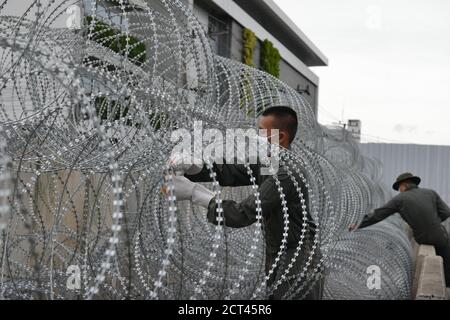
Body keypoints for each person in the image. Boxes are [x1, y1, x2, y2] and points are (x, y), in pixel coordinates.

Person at [166, 106, 322, 299]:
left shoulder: (286, 173)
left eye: (260, 133)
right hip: (281, 252)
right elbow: (231, 171)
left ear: (280, 137)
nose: (254, 138)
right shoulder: (270, 163)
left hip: (298, 258)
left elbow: (244, 213)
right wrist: (195, 167)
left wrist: (195, 193)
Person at [349, 172, 450, 286]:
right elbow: (446, 212)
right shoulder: (431, 193)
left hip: (422, 238)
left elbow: (378, 215)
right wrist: (433, 222)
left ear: (404, 185)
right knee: (446, 262)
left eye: (399, 188)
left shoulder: (400, 199)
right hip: (440, 236)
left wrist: (357, 224)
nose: (399, 190)